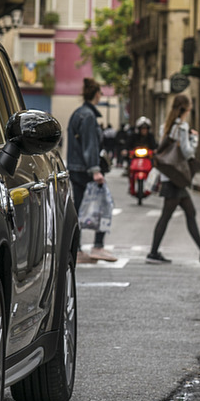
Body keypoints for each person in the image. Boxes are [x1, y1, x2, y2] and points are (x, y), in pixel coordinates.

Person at [147, 94, 200, 264]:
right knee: (167, 215)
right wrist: (194, 140)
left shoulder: (167, 125)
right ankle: (153, 253)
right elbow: (186, 152)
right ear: (186, 107)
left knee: (190, 212)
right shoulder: (183, 126)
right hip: (175, 177)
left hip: (170, 175)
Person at [67, 77, 116, 263]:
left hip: (77, 167)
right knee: (105, 205)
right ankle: (97, 246)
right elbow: (89, 145)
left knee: (79, 209)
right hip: (86, 169)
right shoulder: (88, 116)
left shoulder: (78, 113)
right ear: (97, 94)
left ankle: (78, 249)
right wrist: (95, 170)